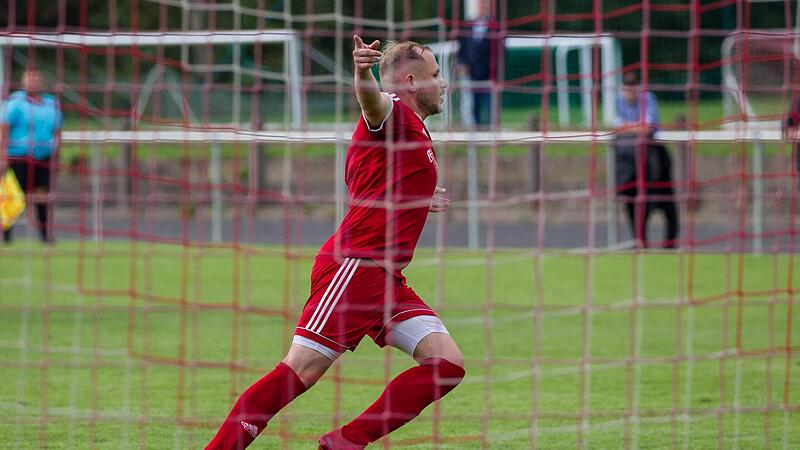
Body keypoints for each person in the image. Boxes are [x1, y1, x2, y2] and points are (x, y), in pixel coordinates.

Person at [205, 36, 465, 450]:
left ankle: (347, 440)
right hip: (355, 268)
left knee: (446, 364)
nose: (444, 83)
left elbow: (383, 179)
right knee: (300, 371)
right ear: (412, 82)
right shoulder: (393, 111)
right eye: (436, 75)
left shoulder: (413, 130)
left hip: (384, 279)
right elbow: (372, 103)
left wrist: (417, 198)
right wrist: (363, 72)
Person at [614, 71, 679, 248]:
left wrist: (630, 127)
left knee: (664, 199)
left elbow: (648, 127)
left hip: (653, 157)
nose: (629, 93)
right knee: (630, 199)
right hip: (629, 160)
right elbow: (618, 128)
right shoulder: (618, 100)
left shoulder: (648, 99)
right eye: (626, 89)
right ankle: (639, 241)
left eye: (632, 89)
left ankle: (670, 243)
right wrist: (634, 127)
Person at [0, 68, 62, 243]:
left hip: (44, 158)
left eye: (37, 79)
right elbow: (3, 129)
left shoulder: (52, 103)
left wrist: (57, 155)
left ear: (42, 82)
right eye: (30, 79)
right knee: (13, 197)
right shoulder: (14, 102)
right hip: (18, 157)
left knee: (43, 196)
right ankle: (6, 236)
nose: (33, 82)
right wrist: (2, 155)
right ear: (23, 82)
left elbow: (57, 132)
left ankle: (45, 236)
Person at [456, 0, 498, 127]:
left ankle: (492, 130)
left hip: (489, 72)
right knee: (474, 104)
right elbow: (462, 48)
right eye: (480, 4)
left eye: (485, 4)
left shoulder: (495, 27)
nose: (482, 7)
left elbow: (500, 51)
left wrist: (495, 68)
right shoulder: (467, 26)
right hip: (472, 72)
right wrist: (462, 63)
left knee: (490, 104)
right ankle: (477, 130)